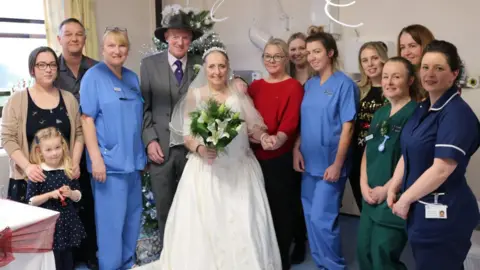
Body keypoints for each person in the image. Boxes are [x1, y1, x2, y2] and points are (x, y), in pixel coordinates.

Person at [149, 47, 281, 270]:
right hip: (206, 169)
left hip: (240, 168)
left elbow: (253, 127)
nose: (217, 71)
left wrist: (265, 137)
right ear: (205, 69)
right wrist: (200, 149)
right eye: (212, 66)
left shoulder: (238, 94)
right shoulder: (196, 95)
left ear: (228, 68)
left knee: (242, 224)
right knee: (207, 225)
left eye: (221, 66)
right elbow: (188, 135)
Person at [387, 40, 480, 270]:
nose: (429, 74)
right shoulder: (423, 107)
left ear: (453, 74)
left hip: (445, 213)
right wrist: (393, 185)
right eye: (425, 67)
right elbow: (408, 150)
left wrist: (405, 199)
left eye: (439, 68)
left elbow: (442, 169)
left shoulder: (457, 114)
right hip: (421, 209)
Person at [80, 27, 147, 270]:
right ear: (102, 48)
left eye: (122, 46)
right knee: (111, 225)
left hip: (133, 164)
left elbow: (135, 118)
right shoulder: (93, 77)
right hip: (108, 166)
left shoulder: (131, 78)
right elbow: (86, 119)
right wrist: (96, 159)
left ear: (127, 49)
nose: (117, 51)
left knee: (132, 221)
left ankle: (127, 265)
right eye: (111, 45)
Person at [293, 26, 358, 270]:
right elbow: (303, 122)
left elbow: (348, 127)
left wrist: (338, 163)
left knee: (323, 220)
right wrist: (296, 149)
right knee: (311, 218)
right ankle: (321, 264)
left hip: (331, 165)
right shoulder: (309, 85)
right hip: (309, 163)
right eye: (309, 52)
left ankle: (334, 266)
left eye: (317, 51)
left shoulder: (345, 85)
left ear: (330, 53)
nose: (311, 57)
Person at [141, 12, 203, 246]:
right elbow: (144, 108)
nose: (180, 42)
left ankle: (192, 252)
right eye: (176, 36)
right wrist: (150, 140)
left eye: (185, 37)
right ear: (166, 37)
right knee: (165, 207)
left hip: (192, 150)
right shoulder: (149, 65)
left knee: (193, 207)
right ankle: (169, 254)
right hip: (161, 149)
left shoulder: (200, 64)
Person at [356, 57, 419, 270]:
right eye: (385, 76)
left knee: (382, 257)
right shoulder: (380, 113)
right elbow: (368, 149)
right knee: (364, 253)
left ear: (410, 80)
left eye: (396, 76)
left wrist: (387, 189)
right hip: (370, 195)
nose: (389, 82)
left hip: (393, 197)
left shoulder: (416, 114)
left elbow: (412, 159)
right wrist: (363, 184)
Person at [1, 46, 83, 204]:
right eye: (42, 65)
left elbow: (79, 133)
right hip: (28, 179)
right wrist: (27, 167)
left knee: (66, 227)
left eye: (52, 65)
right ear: (32, 69)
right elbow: (7, 138)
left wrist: (75, 162)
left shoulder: (69, 99)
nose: (48, 69)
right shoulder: (16, 100)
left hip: (63, 181)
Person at [248, 38, 304, 270]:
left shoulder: (293, 87)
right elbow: (247, 118)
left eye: (277, 56)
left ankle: (281, 260)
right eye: (268, 56)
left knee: (282, 210)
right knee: (260, 209)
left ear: (285, 59)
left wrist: (277, 139)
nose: (272, 60)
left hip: (280, 158)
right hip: (253, 158)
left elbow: (290, 122)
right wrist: (258, 137)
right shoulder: (255, 87)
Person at [54, 17, 98, 268]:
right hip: (62, 148)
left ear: (84, 38)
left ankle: (91, 254)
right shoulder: (51, 69)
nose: (73, 39)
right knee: (65, 203)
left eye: (78, 34)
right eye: (68, 34)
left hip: (93, 146)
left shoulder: (97, 68)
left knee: (90, 201)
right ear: (59, 39)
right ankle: (69, 258)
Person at [26, 127, 86, 270]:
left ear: (63, 147)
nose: (54, 153)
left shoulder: (68, 168)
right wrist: (49, 195)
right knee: (53, 261)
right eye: (49, 150)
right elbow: (30, 201)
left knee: (68, 258)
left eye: (57, 147)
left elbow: (78, 196)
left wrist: (70, 193)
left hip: (67, 221)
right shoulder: (38, 172)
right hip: (49, 225)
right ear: (39, 151)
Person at [349, 41, 389, 212]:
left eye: (374, 58)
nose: (370, 64)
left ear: (383, 60)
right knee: (363, 204)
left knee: (381, 207)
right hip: (358, 156)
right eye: (365, 60)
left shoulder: (392, 89)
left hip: (383, 157)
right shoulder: (357, 90)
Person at [286, 32, 311, 263]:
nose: (296, 53)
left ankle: (307, 239)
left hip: (310, 142)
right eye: (292, 49)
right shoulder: (286, 78)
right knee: (293, 196)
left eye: (301, 48)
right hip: (289, 143)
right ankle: (298, 239)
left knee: (310, 196)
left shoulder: (317, 79)